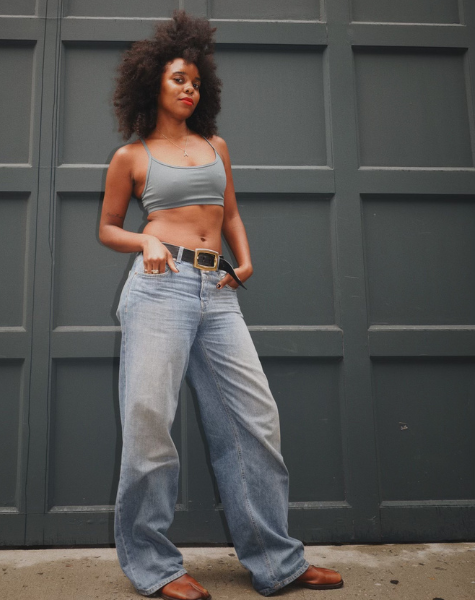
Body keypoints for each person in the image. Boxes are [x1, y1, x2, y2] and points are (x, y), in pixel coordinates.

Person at [99, 11, 343, 600]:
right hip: (159, 289)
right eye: (178, 79)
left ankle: (277, 561)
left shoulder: (215, 146)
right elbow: (108, 228)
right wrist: (147, 238)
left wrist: (246, 258)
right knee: (149, 422)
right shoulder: (130, 156)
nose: (189, 89)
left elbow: (229, 212)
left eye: (196, 82)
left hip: (218, 293)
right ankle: (154, 567)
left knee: (253, 420)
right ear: (152, 84)